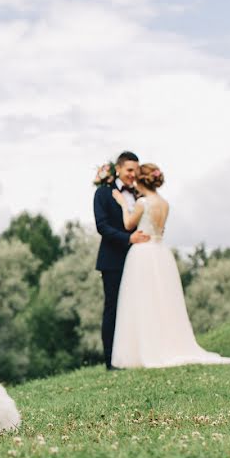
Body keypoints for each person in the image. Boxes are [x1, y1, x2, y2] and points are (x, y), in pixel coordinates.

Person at [110, 163, 230, 368]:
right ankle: (167, 343)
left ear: (139, 181)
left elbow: (128, 225)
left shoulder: (143, 202)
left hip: (143, 253)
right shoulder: (165, 203)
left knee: (144, 300)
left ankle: (146, 348)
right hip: (161, 252)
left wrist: (123, 205)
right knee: (164, 300)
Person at [93, 151, 149, 370]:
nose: (133, 174)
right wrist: (128, 238)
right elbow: (102, 226)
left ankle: (136, 355)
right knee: (113, 308)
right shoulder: (103, 194)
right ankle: (111, 361)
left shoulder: (140, 194)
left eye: (136, 170)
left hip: (140, 259)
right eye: (129, 170)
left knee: (137, 307)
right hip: (112, 261)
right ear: (118, 169)